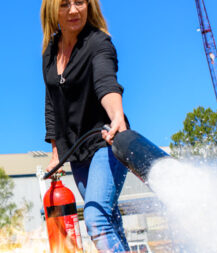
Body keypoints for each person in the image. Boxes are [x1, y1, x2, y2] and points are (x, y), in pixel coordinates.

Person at [40, 0, 130, 252]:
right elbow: (51, 104)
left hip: (106, 141)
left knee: (96, 218)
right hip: (77, 154)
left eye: (79, 2)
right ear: (52, 9)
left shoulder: (98, 42)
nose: (73, 10)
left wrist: (116, 116)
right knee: (109, 219)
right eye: (64, 4)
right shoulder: (50, 52)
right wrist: (56, 153)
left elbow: (106, 82)